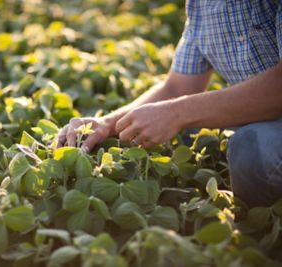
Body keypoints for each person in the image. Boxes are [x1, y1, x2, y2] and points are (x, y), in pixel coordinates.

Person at [56, 0, 282, 207]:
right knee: (188, 132)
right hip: (261, 116)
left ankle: (258, 238)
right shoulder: (201, 6)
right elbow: (177, 88)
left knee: (252, 146)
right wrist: (107, 124)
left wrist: (177, 113)